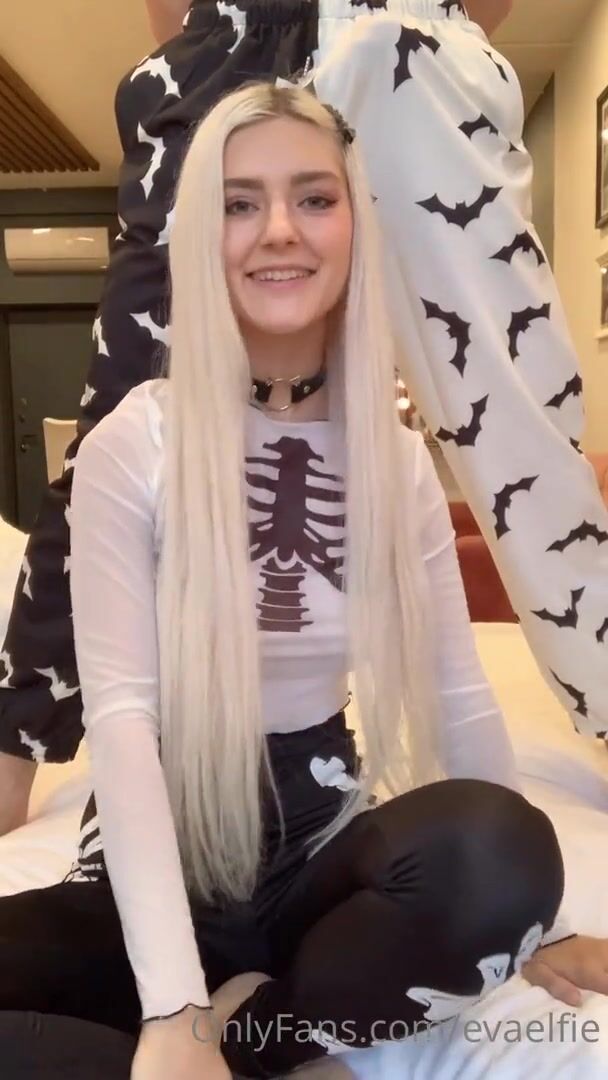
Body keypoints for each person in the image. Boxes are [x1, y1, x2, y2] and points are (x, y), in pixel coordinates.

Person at [0, 79, 580, 1080]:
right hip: (160, 846)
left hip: (318, 847)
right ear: (202, 234)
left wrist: (542, 926)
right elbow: (124, 719)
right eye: (240, 202)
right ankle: (225, 1036)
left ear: (354, 225)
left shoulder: (394, 461)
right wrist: (172, 1006)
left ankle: (258, 1035)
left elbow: (456, 693)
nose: (279, 230)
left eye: (313, 197)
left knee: (498, 850)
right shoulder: (136, 442)